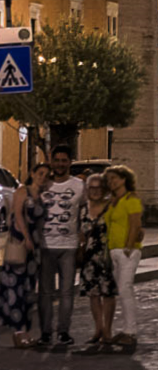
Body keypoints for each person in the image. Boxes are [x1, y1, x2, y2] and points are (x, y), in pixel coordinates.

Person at [38, 145, 84, 346]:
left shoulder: (78, 186)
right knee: (45, 293)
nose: (60, 164)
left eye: (64, 160)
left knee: (66, 292)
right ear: (51, 161)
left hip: (69, 245)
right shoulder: (42, 184)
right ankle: (45, 333)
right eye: (57, 160)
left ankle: (63, 332)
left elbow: (86, 210)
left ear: (69, 162)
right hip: (45, 245)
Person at [2, 162, 49, 348]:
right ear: (33, 173)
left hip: (34, 247)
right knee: (16, 289)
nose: (43, 177)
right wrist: (27, 237)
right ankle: (18, 332)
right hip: (21, 243)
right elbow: (18, 216)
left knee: (29, 290)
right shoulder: (22, 191)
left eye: (46, 174)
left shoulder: (41, 196)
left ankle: (26, 332)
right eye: (40, 173)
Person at [102, 165, 143, 348]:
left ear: (124, 179)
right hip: (113, 250)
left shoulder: (131, 199)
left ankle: (131, 332)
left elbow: (135, 224)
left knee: (126, 289)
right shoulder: (112, 201)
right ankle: (127, 329)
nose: (112, 182)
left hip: (127, 251)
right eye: (109, 179)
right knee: (122, 290)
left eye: (115, 178)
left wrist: (128, 246)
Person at [76, 174, 116, 346]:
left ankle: (107, 329)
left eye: (99, 188)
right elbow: (80, 231)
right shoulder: (83, 209)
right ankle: (98, 328)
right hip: (89, 257)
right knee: (93, 294)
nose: (95, 191)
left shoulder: (111, 207)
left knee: (107, 293)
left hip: (106, 256)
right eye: (91, 188)